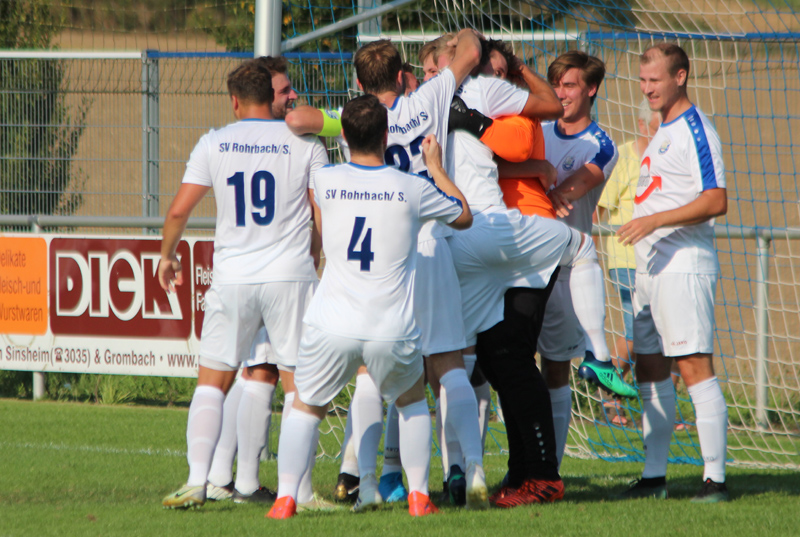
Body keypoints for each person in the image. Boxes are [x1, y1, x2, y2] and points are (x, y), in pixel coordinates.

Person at [285, 32, 489, 509]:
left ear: (358, 84)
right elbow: (471, 53)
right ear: (402, 75)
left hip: (379, 256)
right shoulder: (429, 97)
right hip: (429, 240)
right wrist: (461, 38)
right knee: (448, 366)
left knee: (368, 373)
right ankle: (474, 470)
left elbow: (300, 119)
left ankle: (365, 479)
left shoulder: (353, 121)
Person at [159, 58, 328, 509]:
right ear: (270, 96)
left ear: (235, 102)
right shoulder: (306, 143)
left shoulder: (213, 142)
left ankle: (198, 481)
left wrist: (168, 256)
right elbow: (321, 213)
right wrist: (315, 255)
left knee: (213, 381)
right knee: (298, 386)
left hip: (233, 277)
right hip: (290, 275)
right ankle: (296, 493)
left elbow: (178, 211)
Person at [616, 43, 729, 502]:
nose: (647, 89)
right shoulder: (661, 129)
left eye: (655, 80)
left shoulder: (696, 129)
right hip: (649, 272)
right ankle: (654, 477)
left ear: (680, 77)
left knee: (693, 366)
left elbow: (716, 199)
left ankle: (715, 479)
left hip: (683, 267)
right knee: (649, 367)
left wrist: (655, 221)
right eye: (643, 81)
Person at [535, 51, 624, 467]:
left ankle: (550, 469)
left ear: (591, 89)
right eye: (555, 85)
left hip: (565, 271)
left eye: (569, 85)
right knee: (500, 368)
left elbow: (571, 190)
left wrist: (540, 188)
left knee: (555, 370)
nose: (560, 93)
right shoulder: (537, 129)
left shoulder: (601, 145)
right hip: (519, 264)